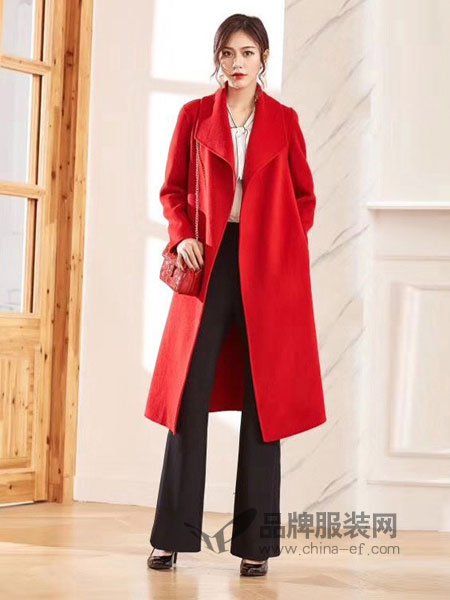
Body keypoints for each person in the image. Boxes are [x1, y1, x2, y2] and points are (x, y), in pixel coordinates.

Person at [146, 13, 326, 577]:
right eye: (228, 53)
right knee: (188, 399)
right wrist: (183, 235)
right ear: (218, 59)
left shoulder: (285, 121)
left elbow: (304, 197)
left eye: (247, 52)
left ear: (263, 57)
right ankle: (170, 537)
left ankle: (256, 545)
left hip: (267, 269)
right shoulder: (195, 116)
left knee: (264, 404)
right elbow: (173, 189)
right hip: (209, 262)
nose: (237, 62)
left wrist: (283, 245)